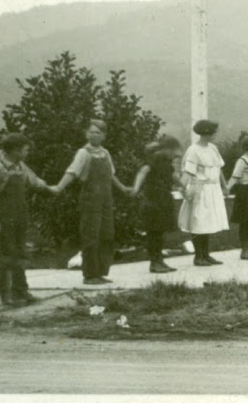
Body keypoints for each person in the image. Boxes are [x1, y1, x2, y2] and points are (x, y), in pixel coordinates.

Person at [52, 120, 132, 285]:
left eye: (98, 132)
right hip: (90, 199)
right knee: (91, 235)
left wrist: (123, 188)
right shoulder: (83, 153)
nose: (94, 135)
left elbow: (111, 175)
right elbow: (72, 172)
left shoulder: (105, 153)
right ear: (86, 134)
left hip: (106, 199)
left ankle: (101, 272)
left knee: (107, 235)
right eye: (91, 132)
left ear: (103, 136)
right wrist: (59, 187)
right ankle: (90, 275)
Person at [0, 133, 56, 304]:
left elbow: (35, 181)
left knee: (20, 254)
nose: (27, 152)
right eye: (25, 149)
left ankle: (21, 291)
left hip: (20, 218)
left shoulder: (20, 166)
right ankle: (6, 295)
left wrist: (52, 189)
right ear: (15, 150)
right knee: (6, 255)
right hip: (4, 219)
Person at [178, 119, 227, 266]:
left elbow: (218, 169)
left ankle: (206, 255)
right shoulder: (193, 151)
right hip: (200, 190)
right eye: (214, 132)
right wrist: (182, 189)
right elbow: (188, 172)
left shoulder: (212, 148)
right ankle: (198, 256)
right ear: (207, 132)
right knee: (199, 221)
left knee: (208, 222)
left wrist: (224, 186)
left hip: (213, 189)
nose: (215, 134)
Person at [133, 137, 181, 273]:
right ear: (166, 149)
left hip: (163, 199)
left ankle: (159, 261)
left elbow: (173, 177)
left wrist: (183, 187)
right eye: (173, 152)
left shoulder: (167, 163)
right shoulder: (155, 160)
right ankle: (154, 262)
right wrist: (136, 188)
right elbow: (143, 171)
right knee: (154, 232)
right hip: (153, 200)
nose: (175, 155)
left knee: (159, 232)